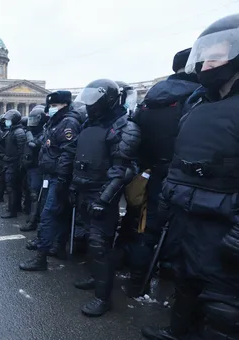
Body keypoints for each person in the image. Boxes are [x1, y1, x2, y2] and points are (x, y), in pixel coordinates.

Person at [142, 14, 239, 340]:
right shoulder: (198, 103)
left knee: (222, 305)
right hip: (188, 213)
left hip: (225, 221)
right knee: (186, 281)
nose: (207, 64)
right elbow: (180, 158)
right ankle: (176, 332)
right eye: (206, 56)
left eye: (217, 57)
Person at [123, 48, 201, 297]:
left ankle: (137, 282)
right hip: (184, 174)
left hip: (149, 171)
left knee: (146, 227)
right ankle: (169, 274)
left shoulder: (153, 96)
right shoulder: (198, 95)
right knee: (182, 230)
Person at [71, 79, 140, 317]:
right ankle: (95, 277)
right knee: (91, 241)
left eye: (94, 102)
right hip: (84, 189)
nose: (89, 107)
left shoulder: (124, 128)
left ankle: (103, 298)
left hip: (101, 195)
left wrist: (104, 199)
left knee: (100, 246)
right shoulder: (90, 124)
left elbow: (122, 170)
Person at [20, 91, 82, 270]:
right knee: (58, 214)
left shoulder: (68, 122)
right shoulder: (56, 121)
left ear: (63, 105)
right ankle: (57, 247)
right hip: (52, 175)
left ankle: (41, 258)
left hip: (58, 177)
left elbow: (68, 153)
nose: (51, 108)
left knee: (48, 215)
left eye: (54, 105)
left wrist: (62, 178)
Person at [20, 105, 47, 232]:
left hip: (37, 168)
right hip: (30, 167)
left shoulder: (44, 133)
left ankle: (33, 222)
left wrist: (29, 134)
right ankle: (31, 215)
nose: (32, 122)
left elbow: (34, 146)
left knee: (35, 195)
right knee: (29, 192)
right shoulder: (35, 132)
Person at [0, 110, 26, 219]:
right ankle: (17, 207)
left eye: (9, 120)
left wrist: (16, 162)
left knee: (11, 187)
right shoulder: (12, 130)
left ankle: (12, 211)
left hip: (14, 163)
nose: (7, 122)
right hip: (11, 161)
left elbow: (21, 151)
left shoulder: (18, 132)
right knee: (15, 187)